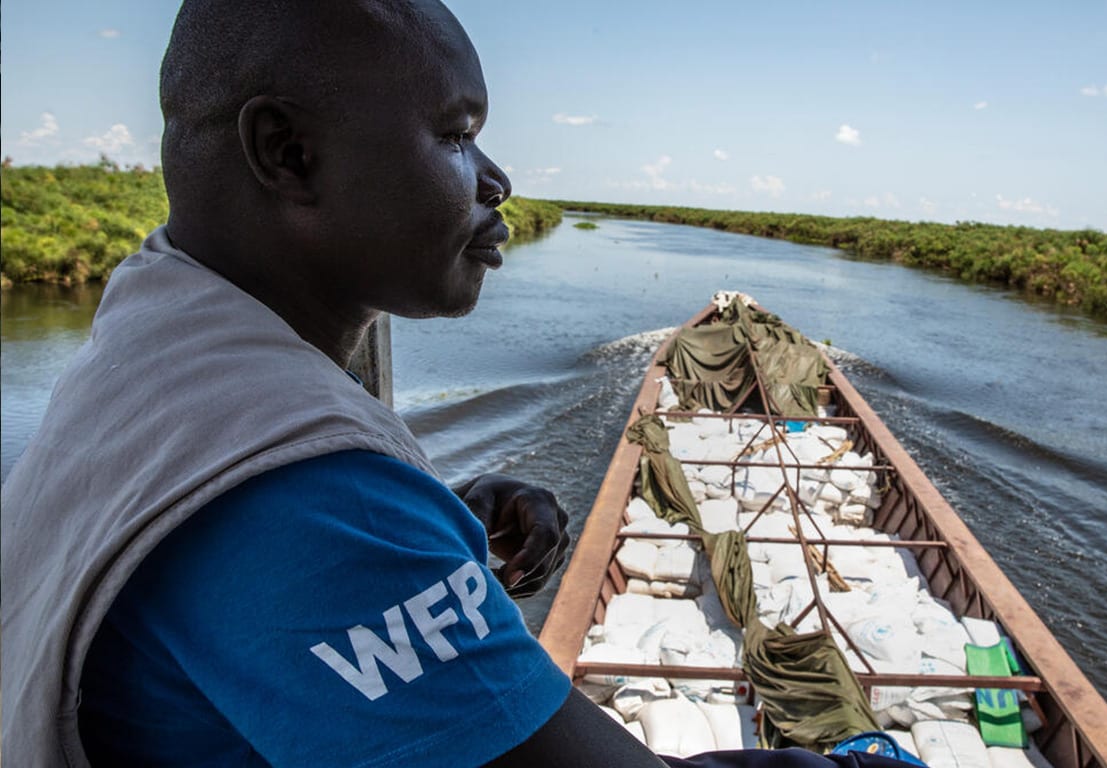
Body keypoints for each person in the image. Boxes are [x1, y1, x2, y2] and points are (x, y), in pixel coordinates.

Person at [1, 3, 922, 766]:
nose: (497, 179)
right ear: (289, 154)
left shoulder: (152, 353)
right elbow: (304, 538)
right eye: (455, 134)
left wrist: (437, 521)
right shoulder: (304, 498)